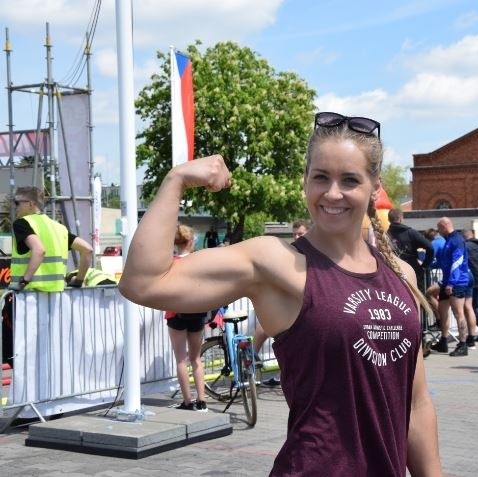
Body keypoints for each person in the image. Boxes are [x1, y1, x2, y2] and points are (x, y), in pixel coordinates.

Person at [118, 112, 441, 475]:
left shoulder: (402, 274)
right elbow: (142, 282)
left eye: (350, 180)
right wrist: (176, 180)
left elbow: (416, 404)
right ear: (305, 181)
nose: (333, 193)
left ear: (375, 188)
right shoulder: (276, 262)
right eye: (321, 177)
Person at [256, 219, 310, 387]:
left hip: (303, 303)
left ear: (308, 232)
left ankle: (281, 375)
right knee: (263, 330)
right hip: (288, 301)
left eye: (300, 233)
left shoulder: (312, 251)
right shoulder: (292, 250)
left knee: (294, 343)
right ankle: (251, 361)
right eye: (294, 233)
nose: (297, 236)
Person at [10, 186, 93, 292]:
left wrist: (24, 281)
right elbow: (87, 249)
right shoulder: (59, 227)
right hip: (56, 298)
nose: (15, 207)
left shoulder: (22, 223)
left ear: (31, 204)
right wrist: (79, 280)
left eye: (17, 203)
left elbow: (39, 250)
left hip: (27, 296)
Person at [165, 225, 209, 412]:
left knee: (181, 360)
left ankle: (187, 401)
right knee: (196, 359)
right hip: (197, 311)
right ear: (191, 242)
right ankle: (202, 400)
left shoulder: (170, 262)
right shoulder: (198, 261)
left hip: (176, 312)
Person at [431, 217, 476, 356]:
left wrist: (451, 282)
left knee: (458, 313)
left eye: (439, 228)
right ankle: (443, 341)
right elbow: (445, 261)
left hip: (456, 283)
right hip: (447, 281)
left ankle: (463, 344)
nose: (438, 231)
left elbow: (457, 262)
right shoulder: (449, 240)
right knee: (442, 310)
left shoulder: (456, 240)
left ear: (444, 226)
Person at [387, 208, 434, 292]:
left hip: (394, 271)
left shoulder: (386, 235)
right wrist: (425, 264)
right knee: (417, 298)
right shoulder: (411, 233)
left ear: (389, 219)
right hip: (413, 270)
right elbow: (430, 247)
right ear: (401, 219)